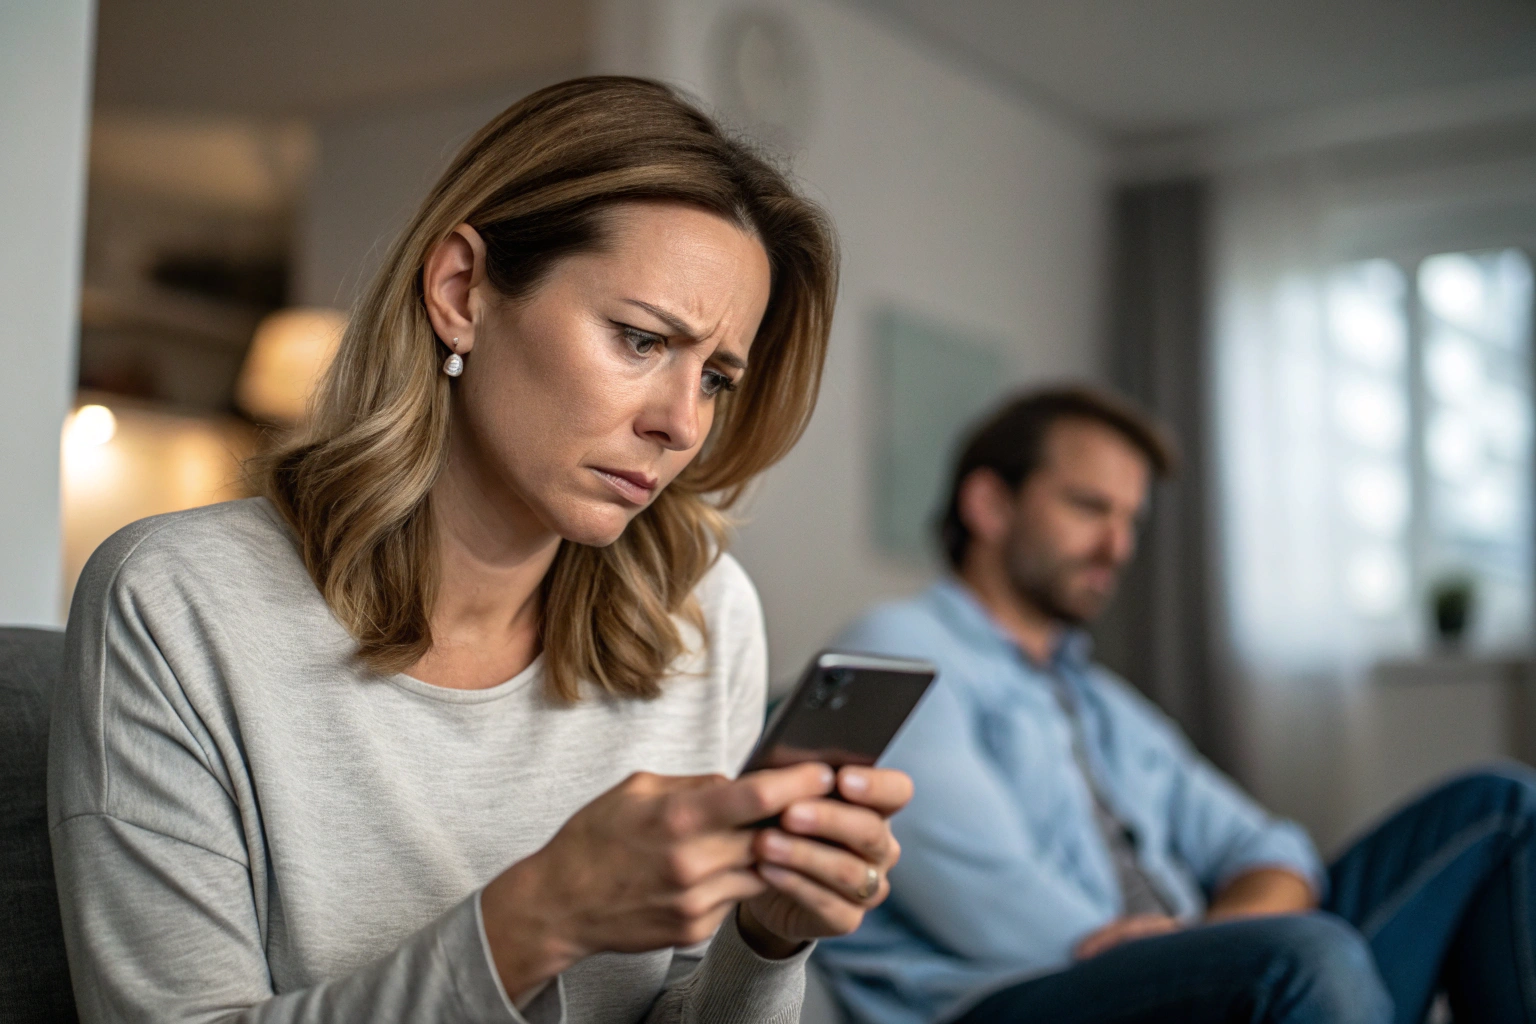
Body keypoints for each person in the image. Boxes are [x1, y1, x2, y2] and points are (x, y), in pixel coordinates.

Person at [49, 77, 912, 1024]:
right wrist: (534, 917)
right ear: (461, 292)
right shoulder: (177, 603)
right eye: (638, 339)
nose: (681, 424)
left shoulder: (701, 610)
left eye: (715, 377)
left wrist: (766, 940)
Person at [813, 386, 1536, 1024]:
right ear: (990, 505)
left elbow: (1270, 851)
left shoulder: (1102, 702)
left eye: (1130, 520)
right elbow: (991, 906)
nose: (1117, 546)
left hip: (1195, 973)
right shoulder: (896, 647)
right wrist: (1223, 952)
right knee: (1304, 956)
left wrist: (1217, 942)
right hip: (1014, 997)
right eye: (1090, 507)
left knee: (1499, 807)